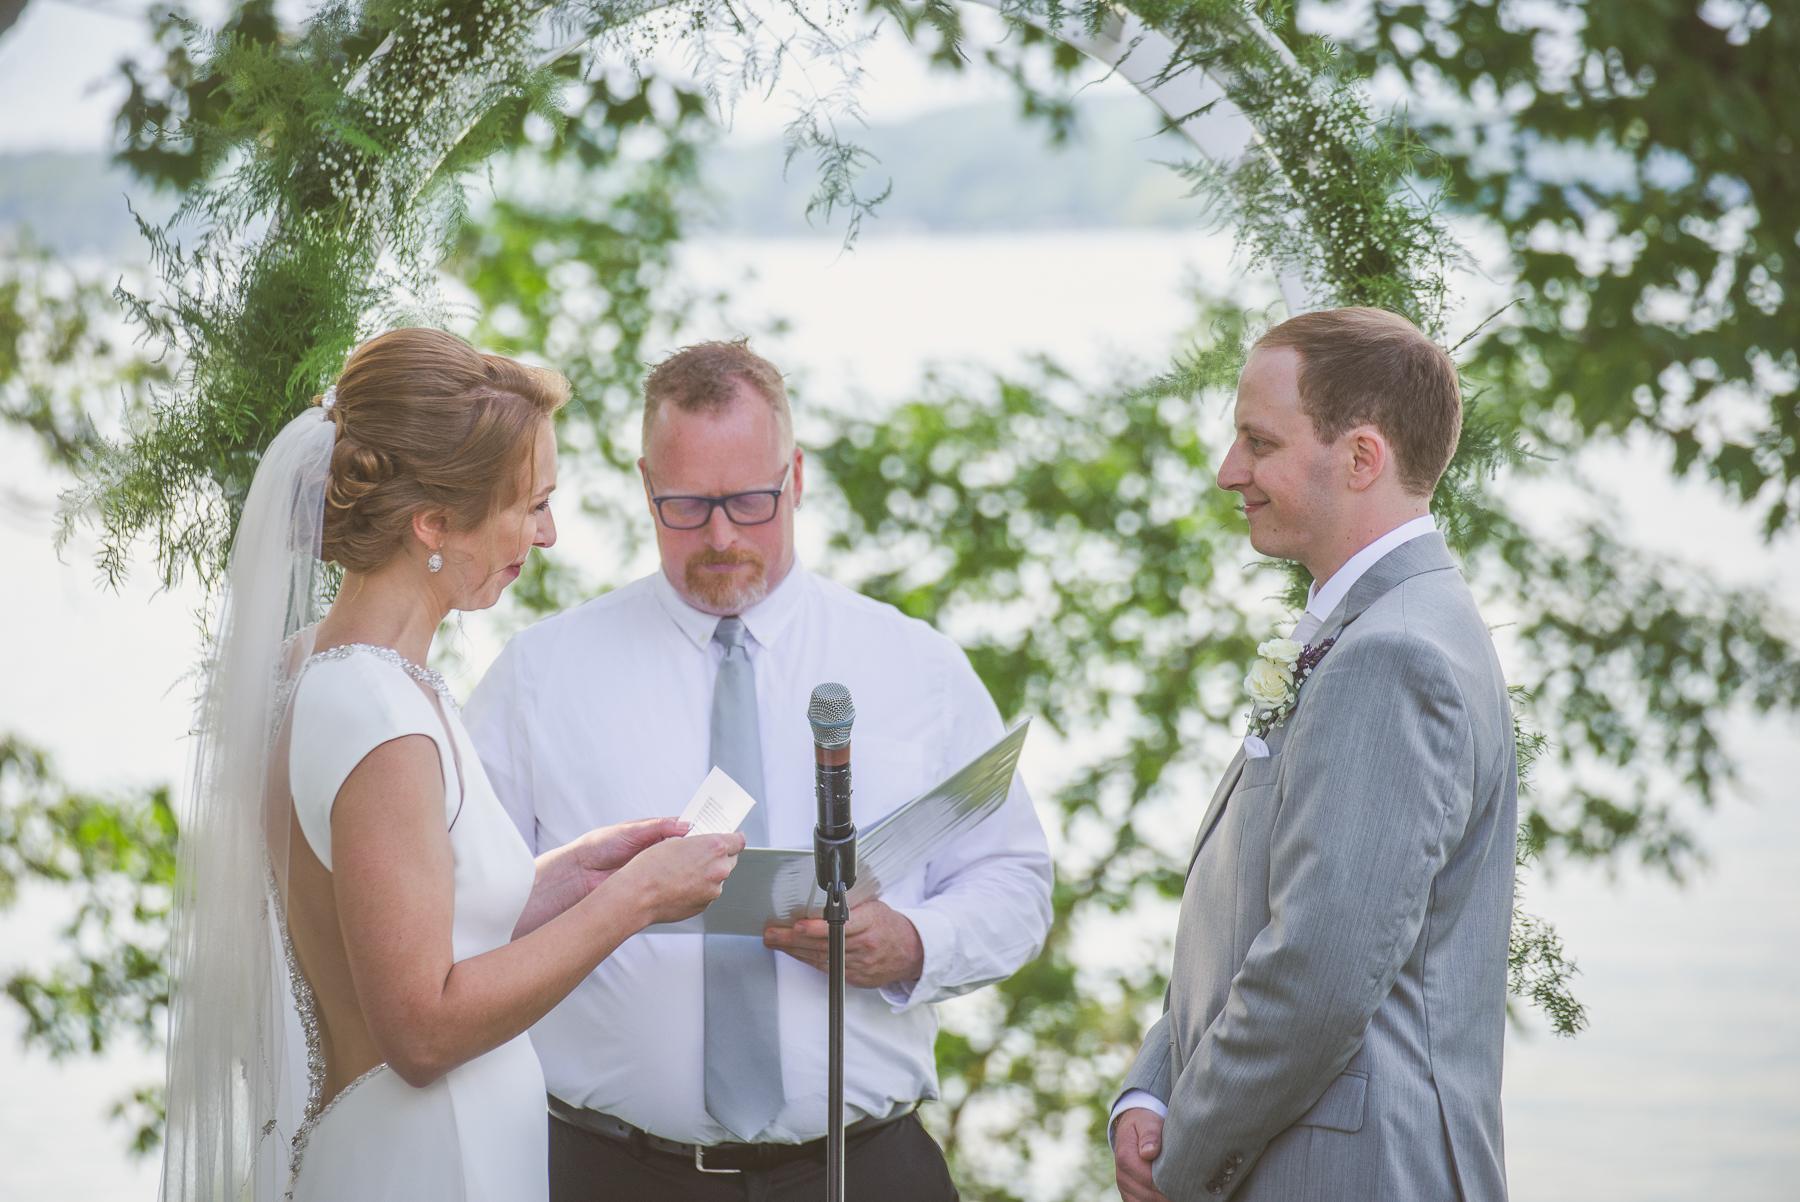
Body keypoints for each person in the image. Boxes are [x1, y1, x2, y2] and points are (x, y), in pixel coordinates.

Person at [158, 328, 744, 1202]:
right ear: (433, 521)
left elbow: (411, 921)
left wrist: (576, 877)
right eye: (530, 505)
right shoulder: (376, 717)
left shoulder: (333, 672)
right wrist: (634, 903)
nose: (549, 534)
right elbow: (421, 1030)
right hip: (429, 1166)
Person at [464, 338, 1054, 1201]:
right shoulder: (537, 676)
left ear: (797, 478)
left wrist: (915, 944)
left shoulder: (916, 666)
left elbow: (1016, 883)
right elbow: (466, 914)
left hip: (865, 1169)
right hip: (609, 1171)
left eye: (749, 501)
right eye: (686, 506)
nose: (721, 536)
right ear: (645, 487)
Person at [1111, 308, 1515, 1201]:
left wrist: (1187, 1154)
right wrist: (1152, 1087)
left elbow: (1316, 978)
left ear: (1361, 457)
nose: (1229, 471)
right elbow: (1247, 916)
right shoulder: (1377, 624)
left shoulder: (1393, 655)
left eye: (1259, 442)